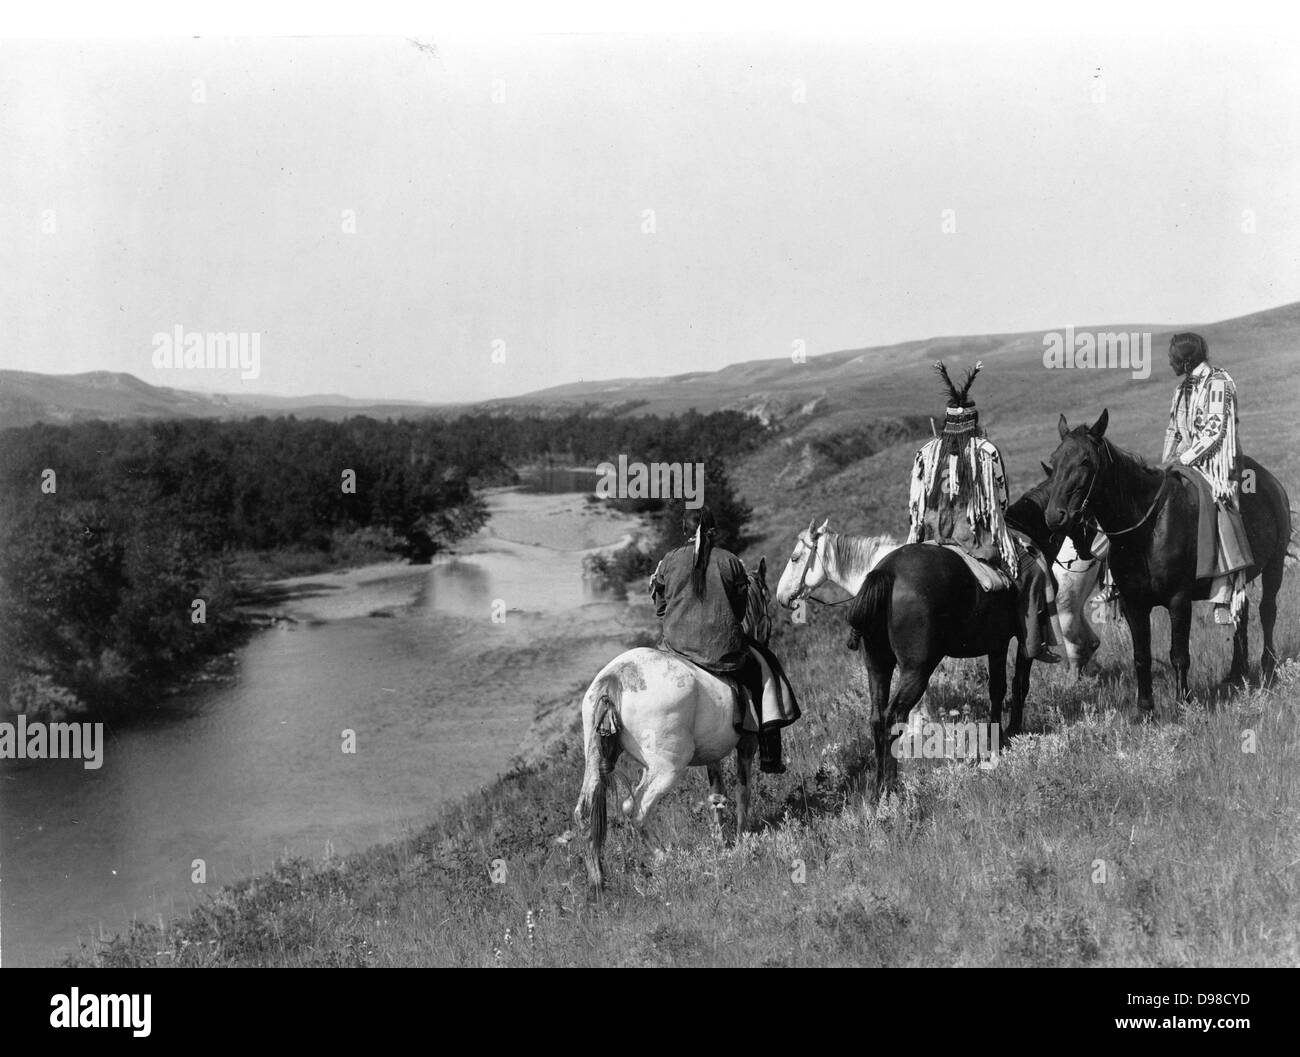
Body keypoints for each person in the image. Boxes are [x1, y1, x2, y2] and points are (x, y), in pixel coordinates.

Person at [907, 360, 1061, 662]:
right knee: (1032, 569)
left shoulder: (925, 452)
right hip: (973, 536)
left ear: (947, 422)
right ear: (973, 422)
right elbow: (1000, 503)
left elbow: (915, 504)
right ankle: (1034, 643)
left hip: (933, 532)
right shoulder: (985, 451)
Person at [648, 506, 790, 773]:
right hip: (721, 652)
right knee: (765, 672)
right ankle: (770, 757)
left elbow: (660, 608)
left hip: (676, 647)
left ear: (684, 531)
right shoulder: (731, 562)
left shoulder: (668, 561)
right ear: (713, 532)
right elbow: (738, 611)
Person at [1160, 332, 1253, 625]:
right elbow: (1173, 430)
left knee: (1217, 503)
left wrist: (1184, 458)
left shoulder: (1218, 383)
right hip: (1186, 460)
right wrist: (1165, 464)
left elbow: (1215, 432)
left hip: (1217, 463)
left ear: (1185, 361)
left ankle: (1223, 592)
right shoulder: (1181, 390)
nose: (1169, 362)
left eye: (1173, 358)